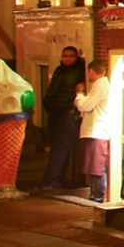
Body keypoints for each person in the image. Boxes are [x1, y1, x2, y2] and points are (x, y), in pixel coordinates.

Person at [34, 47, 86, 192]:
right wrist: (48, 105)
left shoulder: (78, 71)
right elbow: (52, 90)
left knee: (60, 148)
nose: (67, 59)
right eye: (64, 56)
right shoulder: (59, 70)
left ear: (76, 57)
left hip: (67, 114)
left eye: (70, 56)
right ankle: (54, 180)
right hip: (55, 113)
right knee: (57, 148)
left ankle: (50, 181)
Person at [74, 59, 115, 203]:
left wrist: (79, 94)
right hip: (95, 131)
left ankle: (97, 196)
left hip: (96, 131)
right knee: (94, 166)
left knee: (96, 167)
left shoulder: (100, 87)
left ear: (91, 71)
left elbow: (85, 106)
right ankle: (95, 194)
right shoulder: (101, 86)